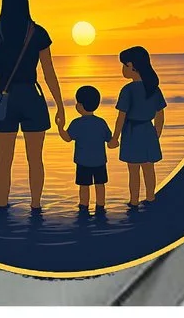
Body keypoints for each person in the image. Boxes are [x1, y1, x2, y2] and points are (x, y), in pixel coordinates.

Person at [0, 0, 63, 210]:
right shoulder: (38, 32)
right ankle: (36, 206)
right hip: (32, 96)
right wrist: (60, 105)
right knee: (35, 160)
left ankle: (2, 205)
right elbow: (49, 72)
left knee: (4, 160)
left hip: (4, 97)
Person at [115, 47, 165, 205]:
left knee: (134, 171)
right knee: (149, 169)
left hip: (132, 132)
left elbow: (121, 117)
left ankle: (134, 200)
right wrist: (156, 133)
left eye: (124, 65)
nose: (123, 69)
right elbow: (160, 114)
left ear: (131, 66)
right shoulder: (153, 89)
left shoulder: (128, 90)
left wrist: (115, 137)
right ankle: (151, 197)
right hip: (148, 131)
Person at [60, 86, 113, 214]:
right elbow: (109, 139)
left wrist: (60, 127)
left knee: (84, 186)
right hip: (100, 161)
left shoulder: (76, 123)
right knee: (100, 184)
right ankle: (100, 205)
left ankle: (84, 205)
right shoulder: (101, 122)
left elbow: (67, 138)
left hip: (83, 162)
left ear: (80, 105)